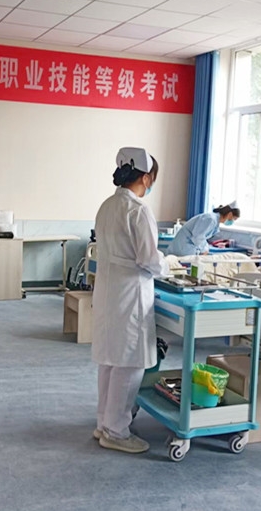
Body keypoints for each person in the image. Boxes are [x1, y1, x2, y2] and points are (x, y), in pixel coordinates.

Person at [92, 147, 170, 454]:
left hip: (108, 291)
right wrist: (169, 265)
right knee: (130, 362)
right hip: (131, 293)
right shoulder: (138, 210)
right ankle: (117, 431)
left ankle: (104, 423)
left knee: (110, 360)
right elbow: (149, 259)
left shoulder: (107, 205)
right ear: (146, 177)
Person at [166, 203, 240, 256]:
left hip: (187, 248)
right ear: (230, 214)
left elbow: (202, 238)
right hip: (183, 247)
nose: (232, 222)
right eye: (234, 219)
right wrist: (204, 250)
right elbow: (198, 237)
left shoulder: (214, 221)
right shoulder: (210, 219)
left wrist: (205, 249)